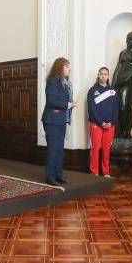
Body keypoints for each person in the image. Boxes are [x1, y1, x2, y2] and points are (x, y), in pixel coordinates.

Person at [41, 57, 76, 186]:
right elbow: (52, 101)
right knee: (53, 149)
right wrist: (68, 105)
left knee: (60, 150)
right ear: (60, 67)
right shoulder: (53, 81)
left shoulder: (65, 82)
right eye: (67, 66)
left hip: (61, 120)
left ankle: (58, 175)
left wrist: (69, 104)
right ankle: (50, 177)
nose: (69, 69)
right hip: (52, 120)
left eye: (69, 66)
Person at [87, 66, 119, 177]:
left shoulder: (113, 91)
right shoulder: (92, 90)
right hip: (96, 124)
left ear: (108, 76)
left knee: (106, 150)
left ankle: (105, 172)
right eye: (101, 73)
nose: (103, 76)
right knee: (95, 149)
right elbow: (91, 109)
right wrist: (100, 122)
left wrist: (112, 122)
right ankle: (94, 172)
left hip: (110, 125)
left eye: (105, 74)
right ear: (98, 75)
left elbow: (116, 109)